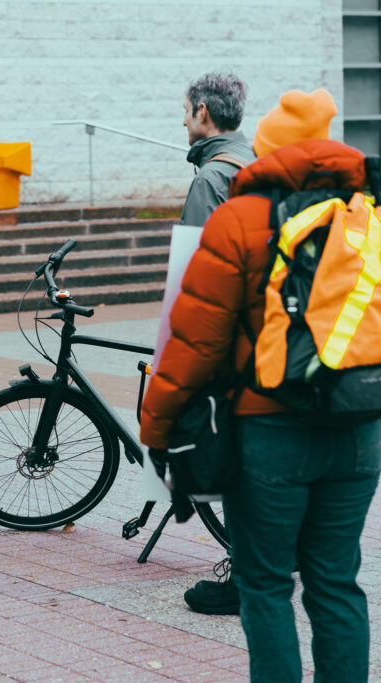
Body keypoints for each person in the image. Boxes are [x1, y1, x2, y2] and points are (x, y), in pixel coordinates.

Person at [141, 89, 380, 682]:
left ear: (268, 151)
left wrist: (158, 428)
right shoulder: (369, 213)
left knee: (266, 584)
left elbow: (194, 344)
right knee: (335, 580)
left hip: (269, 431)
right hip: (360, 429)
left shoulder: (242, 219)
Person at [177, 72, 254, 615]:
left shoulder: (212, 177)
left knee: (229, 461)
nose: (182, 121)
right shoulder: (261, 165)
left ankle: (244, 580)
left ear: (204, 112)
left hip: (224, 349)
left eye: (184, 111)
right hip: (267, 344)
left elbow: (199, 278)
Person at [180, 72, 254, 227]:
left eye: (186, 111)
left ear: (201, 111)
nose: (184, 122)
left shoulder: (209, 178)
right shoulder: (256, 157)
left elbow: (195, 248)